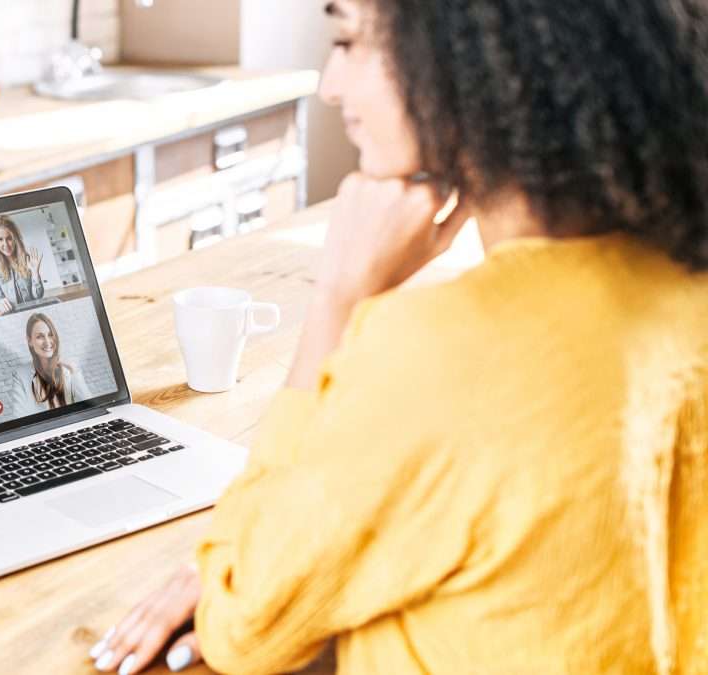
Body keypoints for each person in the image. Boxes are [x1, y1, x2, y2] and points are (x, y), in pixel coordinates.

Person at [85, 2, 708, 674]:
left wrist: (340, 297)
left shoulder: (439, 351)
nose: (329, 84)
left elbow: (244, 620)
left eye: (349, 41)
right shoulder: (684, 288)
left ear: (462, 56)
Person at [9, 313, 91, 417]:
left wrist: (74, 372)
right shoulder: (21, 375)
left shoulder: (67, 370)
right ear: (29, 341)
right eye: (40, 337)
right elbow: (19, 417)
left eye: (50, 335)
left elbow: (91, 406)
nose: (47, 342)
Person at [0, 215, 45, 314]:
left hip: (32, 314)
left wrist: (36, 274)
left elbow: (38, 296)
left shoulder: (27, 259)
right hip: (12, 317)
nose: (5, 244)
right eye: (0, 239)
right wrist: (0, 304)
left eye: (9, 238)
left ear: (15, 239)